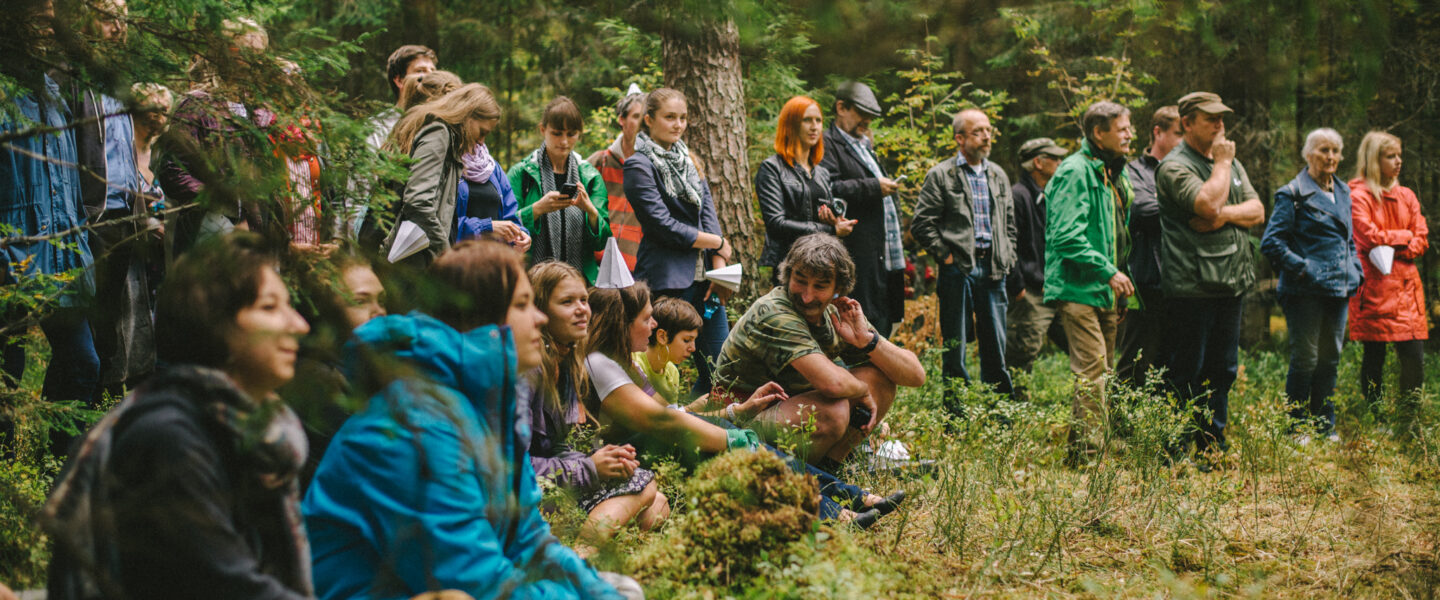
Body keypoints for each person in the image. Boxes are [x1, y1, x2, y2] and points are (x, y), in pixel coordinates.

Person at [303, 240, 635, 600]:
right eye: (522, 305)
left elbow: (529, 539)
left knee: (622, 590)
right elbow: (473, 584)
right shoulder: (414, 422)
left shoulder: (491, 406)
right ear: (481, 318)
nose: (539, 318)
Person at [44, 233, 313, 600]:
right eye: (269, 307)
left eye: (289, 306)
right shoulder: (170, 440)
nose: (299, 324)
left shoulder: (248, 425)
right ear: (215, 325)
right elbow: (233, 589)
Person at [584, 273, 897, 525]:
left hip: (649, 448)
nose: (654, 326)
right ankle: (832, 512)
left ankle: (846, 497)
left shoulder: (624, 363)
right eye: (646, 319)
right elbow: (660, 421)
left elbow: (676, 414)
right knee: (734, 451)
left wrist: (735, 415)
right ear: (621, 324)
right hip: (625, 461)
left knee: (738, 439)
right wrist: (731, 440)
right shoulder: (601, 363)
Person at [709, 233, 926, 468]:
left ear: (838, 288)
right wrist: (862, 392)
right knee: (831, 411)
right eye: (800, 280)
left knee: (879, 377)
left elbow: (916, 376)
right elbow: (832, 384)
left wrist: (867, 341)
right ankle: (787, 475)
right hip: (735, 422)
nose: (807, 296)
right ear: (788, 274)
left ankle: (829, 470)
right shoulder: (774, 312)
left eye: (820, 286)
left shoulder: (835, 312)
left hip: (786, 410)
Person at [521, 261, 668, 554]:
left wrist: (602, 460)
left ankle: (587, 543)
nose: (581, 309)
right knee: (646, 491)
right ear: (539, 311)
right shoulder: (527, 369)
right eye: (567, 302)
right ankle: (579, 557)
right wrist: (588, 468)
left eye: (583, 300)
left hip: (551, 481)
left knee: (657, 501)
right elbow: (513, 466)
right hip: (517, 495)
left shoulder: (567, 358)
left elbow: (556, 445)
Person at [0, 35, 99, 457]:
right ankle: (8, 474)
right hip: (10, 257)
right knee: (7, 372)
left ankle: (61, 468)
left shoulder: (54, 93)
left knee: (83, 361)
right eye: (38, 20)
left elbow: (67, 181)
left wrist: (79, 238)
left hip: (61, 256)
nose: (47, 32)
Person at [1155, 92, 1265, 461]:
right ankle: (1174, 450)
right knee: (1186, 370)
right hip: (1192, 286)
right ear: (1187, 123)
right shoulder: (1175, 167)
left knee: (1223, 369)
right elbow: (1206, 203)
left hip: (1230, 283)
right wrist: (1222, 164)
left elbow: (1257, 210)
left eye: (1222, 118)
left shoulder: (1229, 163)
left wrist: (1225, 215)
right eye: (1210, 119)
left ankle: (1210, 446)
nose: (1220, 125)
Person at [1043, 101, 1136, 463]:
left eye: (1129, 127)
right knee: (1093, 371)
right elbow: (1066, 237)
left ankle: (1090, 445)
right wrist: (1108, 271)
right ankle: (1088, 455)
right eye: (1122, 128)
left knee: (1103, 372)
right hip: (1078, 287)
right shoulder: (1075, 171)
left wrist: (1118, 286)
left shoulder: (1110, 172)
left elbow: (1117, 236)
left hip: (1105, 290)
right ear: (1099, 133)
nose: (1129, 134)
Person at [624, 88, 732, 398]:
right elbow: (662, 225)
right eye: (669, 117)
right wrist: (717, 242)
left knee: (720, 369)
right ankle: (663, 419)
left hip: (705, 282)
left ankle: (701, 420)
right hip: (666, 281)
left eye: (683, 118)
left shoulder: (691, 161)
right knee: (656, 368)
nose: (678, 124)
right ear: (649, 119)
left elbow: (708, 214)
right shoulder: (638, 165)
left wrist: (719, 272)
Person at [910, 108, 1018, 412]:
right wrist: (945, 256)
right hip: (958, 269)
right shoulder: (941, 175)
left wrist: (1008, 255)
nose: (986, 137)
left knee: (995, 345)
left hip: (994, 269)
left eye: (988, 131)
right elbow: (922, 224)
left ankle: (1000, 413)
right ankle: (956, 415)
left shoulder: (998, 175)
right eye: (978, 132)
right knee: (955, 346)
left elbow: (1010, 224)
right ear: (960, 138)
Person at [1260, 128, 1362, 443]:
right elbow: (1271, 242)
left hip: (1339, 288)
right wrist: (1303, 268)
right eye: (1323, 150)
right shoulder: (1292, 193)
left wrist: (1356, 270)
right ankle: (1296, 427)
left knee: (1330, 358)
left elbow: (1348, 239)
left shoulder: (1343, 191)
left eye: (1335, 151)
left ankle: (1324, 425)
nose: (1330, 157)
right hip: (1303, 291)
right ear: (1308, 154)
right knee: (1306, 358)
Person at [87, 80, 172, 402]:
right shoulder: (118, 147)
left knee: (149, 325)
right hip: (125, 245)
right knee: (120, 322)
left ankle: (144, 390)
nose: (158, 118)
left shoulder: (162, 153)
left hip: (157, 256)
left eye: (164, 111)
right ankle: (107, 389)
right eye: (152, 110)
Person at [1348, 131, 1429, 428]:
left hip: (1408, 289)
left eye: (1399, 155)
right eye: (1390, 156)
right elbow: (1368, 236)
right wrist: (1404, 236)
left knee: (1414, 357)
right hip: (1376, 288)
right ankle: (1377, 417)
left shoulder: (1407, 196)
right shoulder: (1358, 195)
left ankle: (1408, 421)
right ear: (1374, 159)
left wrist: (1402, 243)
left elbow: (1421, 237)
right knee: (1375, 356)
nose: (1398, 161)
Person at [383, 83, 506, 264]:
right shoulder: (439, 133)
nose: (481, 142)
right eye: (482, 132)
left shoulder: (451, 141)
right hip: (412, 255)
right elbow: (418, 202)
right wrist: (444, 253)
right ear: (467, 115)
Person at [820, 82, 905, 334]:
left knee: (886, 319)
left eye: (871, 116)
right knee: (863, 322)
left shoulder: (865, 145)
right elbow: (830, 187)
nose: (868, 121)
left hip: (885, 251)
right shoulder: (827, 143)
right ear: (841, 108)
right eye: (862, 113)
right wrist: (874, 186)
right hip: (859, 251)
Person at [1116, 106, 1182, 385]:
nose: (1183, 141)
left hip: (1184, 281)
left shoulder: (1189, 170)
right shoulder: (1133, 171)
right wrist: (1194, 205)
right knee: (1137, 362)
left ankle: (1163, 414)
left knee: (1175, 365)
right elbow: (1144, 211)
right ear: (1158, 132)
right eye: (1178, 133)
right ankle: (1123, 414)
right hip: (1146, 280)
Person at [757, 95, 855, 281]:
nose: (815, 126)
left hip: (822, 262)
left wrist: (833, 220)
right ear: (791, 124)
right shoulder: (772, 168)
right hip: (789, 265)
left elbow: (814, 215)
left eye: (818, 120)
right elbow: (776, 223)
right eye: (807, 120)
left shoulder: (822, 173)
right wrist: (831, 230)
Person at [512, 96, 609, 281]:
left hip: (580, 282)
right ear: (543, 130)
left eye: (571, 134)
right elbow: (504, 228)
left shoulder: (590, 176)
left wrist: (591, 212)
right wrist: (537, 209)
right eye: (557, 133)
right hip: (531, 280)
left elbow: (602, 242)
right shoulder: (521, 173)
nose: (564, 141)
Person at [1005, 137, 1069, 385]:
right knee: (1021, 355)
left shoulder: (1051, 194)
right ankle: (1012, 405)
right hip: (1031, 293)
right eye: (1055, 158)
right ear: (1038, 163)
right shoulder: (1018, 196)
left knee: (1081, 348)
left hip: (1057, 290)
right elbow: (1009, 243)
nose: (1060, 162)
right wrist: (1018, 286)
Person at [587, 87, 647, 271]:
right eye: (636, 116)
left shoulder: (654, 167)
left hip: (638, 268)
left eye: (645, 118)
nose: (641, 123)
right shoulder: (599, 162)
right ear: (622, 119)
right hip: (597, 265)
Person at [635, 296, 702, 406]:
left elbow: (671, 413)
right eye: (686, 340)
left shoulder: (672, 372)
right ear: (662, 337)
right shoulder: (633, 362)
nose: (693, 348)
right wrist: (690, 409)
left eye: (694, 340)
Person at [368, 44, 437, 150]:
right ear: (399, 80)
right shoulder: (377, 127)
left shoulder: (441, 123)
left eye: (433, 71)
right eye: (420, 71)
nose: (432, 77)